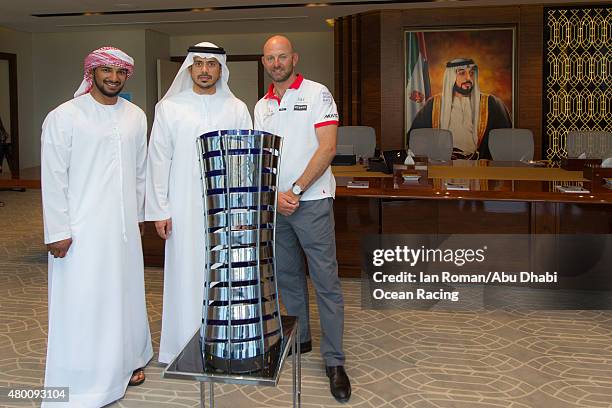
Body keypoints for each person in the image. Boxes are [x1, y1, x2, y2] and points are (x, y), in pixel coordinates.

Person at [41, 46, 152, 407]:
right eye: (106, 71)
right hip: (81, 231)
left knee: (125, 295)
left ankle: (128, 361)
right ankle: (86, 377)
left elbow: (139, 173)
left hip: (122, 230)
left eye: (120, 72)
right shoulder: (64, 116)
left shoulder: (135, 116)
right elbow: (53, 177)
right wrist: (57, 230)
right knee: (86, 300)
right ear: (91, 72)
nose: (114, 78)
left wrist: (137, 220)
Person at [254, 35, 351, 403]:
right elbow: (262, 156)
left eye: (282, 57)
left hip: (311, 202)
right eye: (270, 59)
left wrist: (295, 188)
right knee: (288, 279)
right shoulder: (261, 105)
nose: (277, 63)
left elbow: (328, 148)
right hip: (277, 206)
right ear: (264, 63)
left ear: (293, 57)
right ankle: (301, 339)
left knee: (326, 281)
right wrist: (276, 196)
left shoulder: (317, 93)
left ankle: (335, 362)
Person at [146, 42, 252, 364]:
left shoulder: (236, 108)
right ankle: (181, 344)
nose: (205, 70)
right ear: (190, 68)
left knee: (226, 273)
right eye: (199, 64)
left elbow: (246, 162)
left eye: (212, 64)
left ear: (221, 69)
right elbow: (158, 160)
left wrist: (243, 208)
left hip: (226, 209)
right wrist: (160, 209)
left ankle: (226, 343)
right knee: (185, 271)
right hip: (181, 207)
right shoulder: (169, 108)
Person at [409, 58, 512, 159]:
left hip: (481, 169)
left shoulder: (492, 104)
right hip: (445, 168)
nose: (468, 78)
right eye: (462, 73)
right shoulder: (433, 105)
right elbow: (416, 139)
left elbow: (506, 143)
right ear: (451, 77)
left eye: (471, 73)